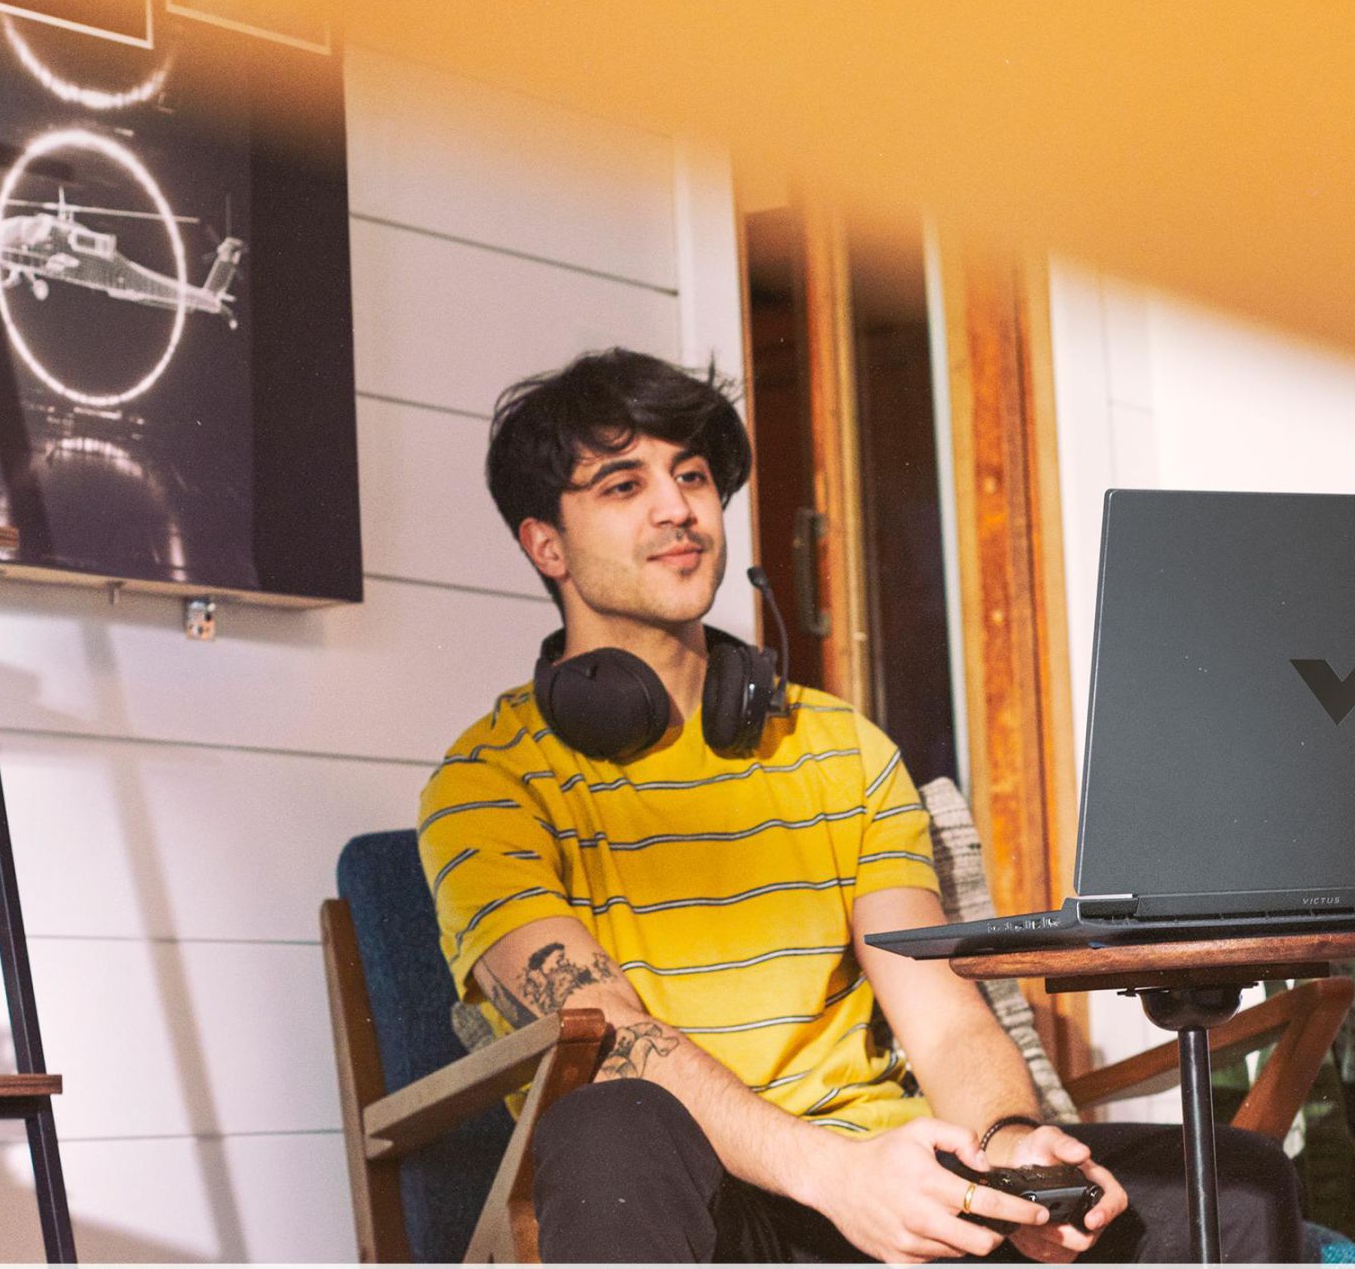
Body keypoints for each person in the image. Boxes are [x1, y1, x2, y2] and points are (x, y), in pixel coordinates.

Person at [418, 348, 1303, 1263]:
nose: (677, 507)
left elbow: (944, 1020)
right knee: (610, 1121)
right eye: (622, 484)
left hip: (889, 1177)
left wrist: (1007, 1144)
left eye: (693, 475)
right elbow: (609, 1037)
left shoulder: (841, 748)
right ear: (546, 545)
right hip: (708, 1204)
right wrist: (834, 1175)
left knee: (1234, 1184)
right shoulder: (487, 783)